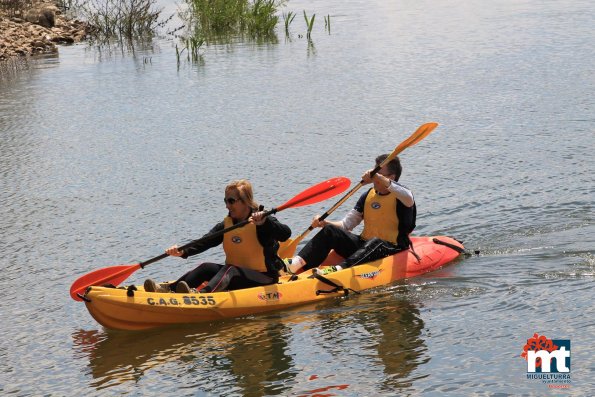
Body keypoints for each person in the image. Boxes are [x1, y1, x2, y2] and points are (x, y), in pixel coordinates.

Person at [144, 179, 291, 293]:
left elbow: (285, 233)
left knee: (230, 269)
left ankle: (203, 295)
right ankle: (170, 290)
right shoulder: (227, 224)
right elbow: (205, 241)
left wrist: (265, 223)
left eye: (231, 201)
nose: (227, 205)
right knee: (206, 267)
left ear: (245, 202)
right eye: (225, 200)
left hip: (264, 278)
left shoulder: (263, 220)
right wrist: (183, 251)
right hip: (236, 276)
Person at [285, 154, 416, 274]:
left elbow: (407, 195)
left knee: (376, 242)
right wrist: (324, 223)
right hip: (364, 245)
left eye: (378, 172)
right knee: (330, 230)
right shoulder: (367, 196)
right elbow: (346, 224)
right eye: (374, 171)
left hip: (391, 249)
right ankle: (297, 264)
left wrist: (376, 176)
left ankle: (339, 270)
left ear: (391, 177)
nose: (373, 176)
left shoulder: (403, 197)